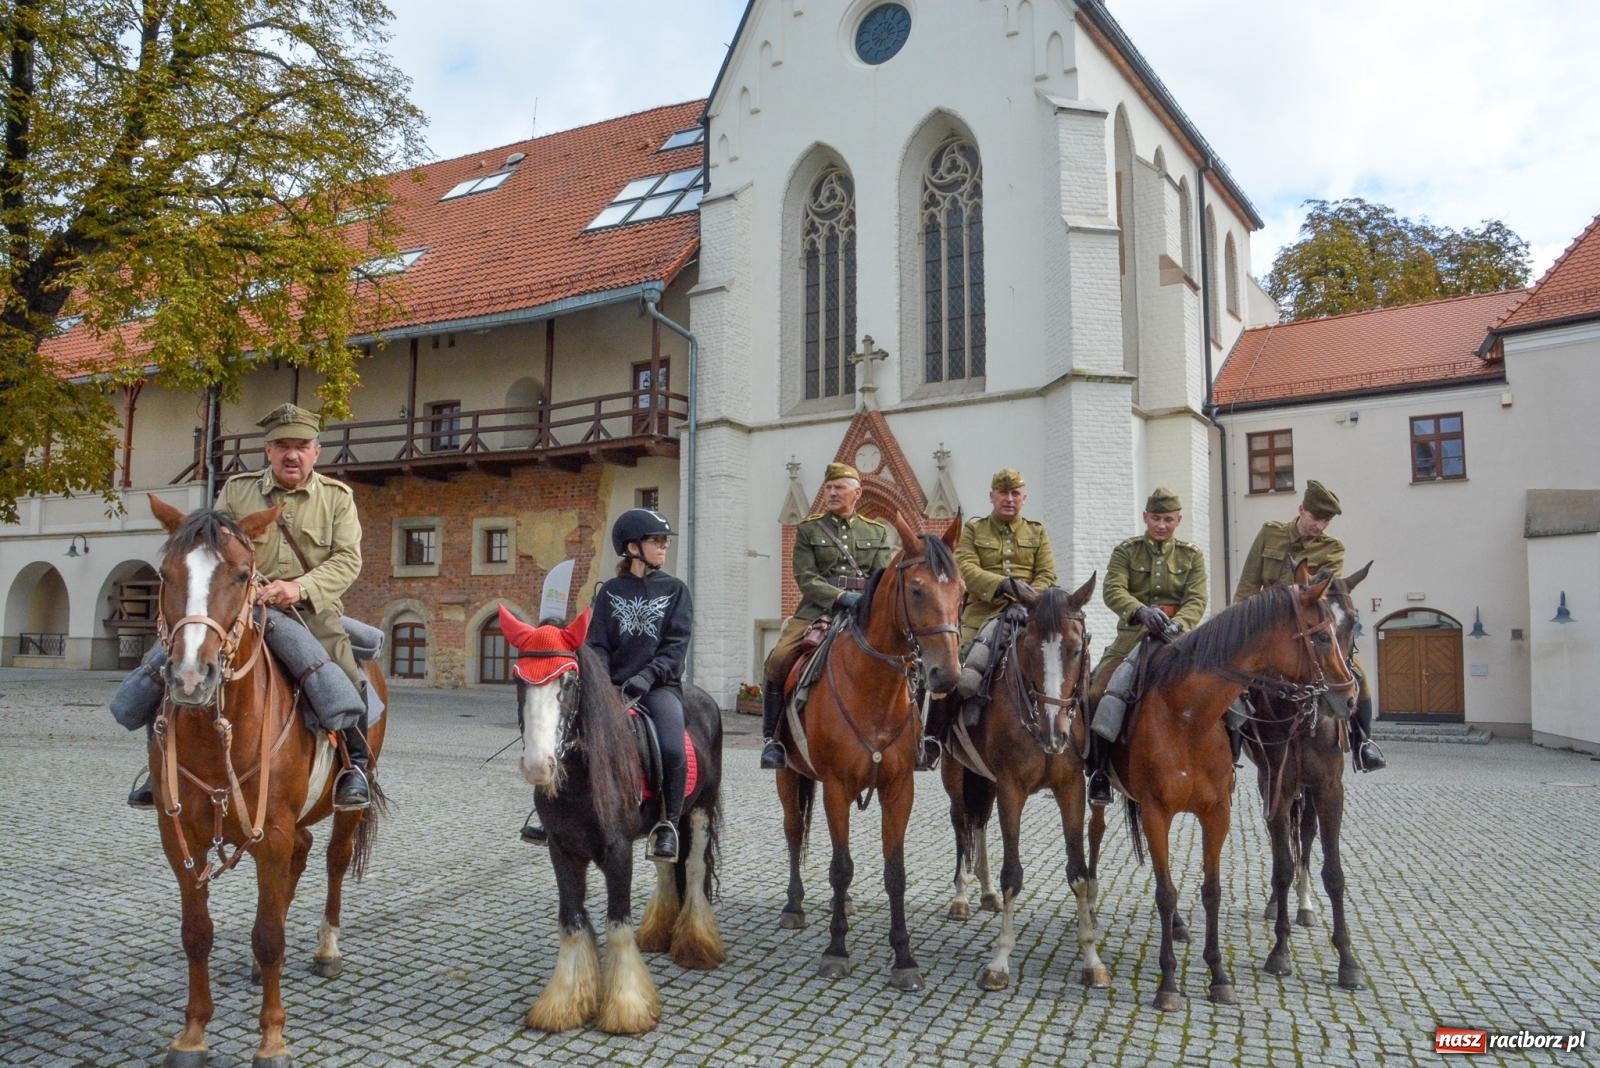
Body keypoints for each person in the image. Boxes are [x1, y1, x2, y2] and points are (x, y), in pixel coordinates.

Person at [128, 403, 373, 810]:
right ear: (268, 451)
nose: (291, 454)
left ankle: (354, 767)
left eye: (301, 446)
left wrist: (299, 587)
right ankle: (159, 765)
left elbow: (348, 560)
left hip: (307, 609)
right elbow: (210, 546)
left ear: (316, 452)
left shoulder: (337, 498)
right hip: (237, 604)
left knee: (345, 673)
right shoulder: (239, 490)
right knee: (163, 665)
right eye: (282, 446)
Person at [1234, 479, 1385, 772]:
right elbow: (1247, 588)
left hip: (1311, 631)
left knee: (1357, 675)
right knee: (1232, 676)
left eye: (1325, 521)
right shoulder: (1270, 533)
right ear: (1302, 510)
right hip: (1268, 632)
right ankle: (1231, 745)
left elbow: (1326, 595)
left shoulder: (1333, 548)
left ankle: (1363, 743)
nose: (1319, 526)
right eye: (1315, 518)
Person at [758, 461, 892, 770]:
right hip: (817, 611)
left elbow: (881, 575)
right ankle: (773, 740)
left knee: (904, 658)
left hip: (864, 611)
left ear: (856, 493)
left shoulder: (876, 531)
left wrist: (868, 600)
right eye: (829, 488)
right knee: (778, 660)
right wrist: (841, 597)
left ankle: (912, 735)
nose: (832, 492)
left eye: (839, 487)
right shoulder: (809, 529)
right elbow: (806, 577)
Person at [925, 468, 1057, 766]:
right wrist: (1001, 585)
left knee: (1066, 667)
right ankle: (935, 736)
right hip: (984, 617)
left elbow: (1048, 574)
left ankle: (1073, 743)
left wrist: (1029, 597)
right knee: (958, 673)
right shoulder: (974, 530)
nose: (1009, 499)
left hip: (1028, 615)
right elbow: (966, 569)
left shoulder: (1037, 532)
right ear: (992, 497)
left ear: (1024, 498)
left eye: (1015, 494)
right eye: (1003, 494)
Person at [1083, 488, 1207, 806]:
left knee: (1228, 697)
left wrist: (1181, 622)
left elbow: (1197, 597)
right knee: (1096, 692)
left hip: (1179, 641)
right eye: (1156, 518)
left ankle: (1222, 766)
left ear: (1178, 520)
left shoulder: (1192, 555)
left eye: (1168, 519)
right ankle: (1099, 772)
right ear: (1145, 518)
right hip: (1132, 639)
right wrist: (1139, 610)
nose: (1162, 525)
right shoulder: (1127, 551)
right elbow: (1113, 589)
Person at [585, 508, 695, 859]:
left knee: (673, 749)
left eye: (664, 541)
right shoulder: (609, 592)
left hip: (659, 688)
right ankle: (555, 814)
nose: (663, 547)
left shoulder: (676, 590)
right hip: (612, 688)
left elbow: (675, 646)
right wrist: (603, 682)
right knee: (568, 735)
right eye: (655, 540)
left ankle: (669, 825)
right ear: (633, 548)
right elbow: (596, 644)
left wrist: (646, 677)